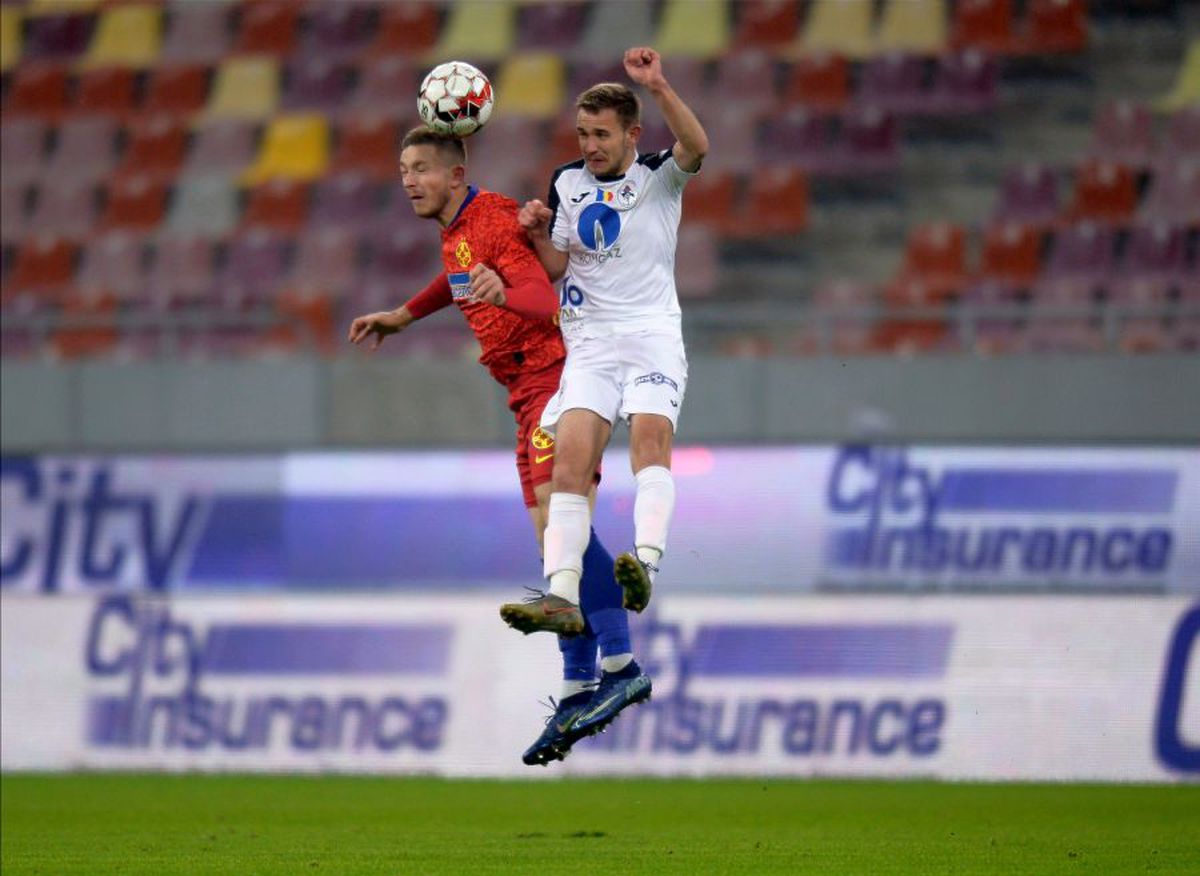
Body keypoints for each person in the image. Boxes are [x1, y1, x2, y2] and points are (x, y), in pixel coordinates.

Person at [348, 127, 644, 765]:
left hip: (557, 375)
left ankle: (619, 664)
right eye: (403, 168)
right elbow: (455, 278)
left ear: (456, 175)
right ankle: (577, 687)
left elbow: (543, 296)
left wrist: (502, 293)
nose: (408, 180)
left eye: (422, 168)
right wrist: (404, 314)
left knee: (561, 530)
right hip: (523, 388)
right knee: (551, 537)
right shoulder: (458, 233)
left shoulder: (495, 219)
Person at [502, 47, 707, 735]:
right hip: (589, 344)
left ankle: (642, 563)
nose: (587, 146)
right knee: (569, 465)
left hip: (650, 337)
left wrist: (658, 84)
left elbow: (698, 144)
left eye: (600, 135)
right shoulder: (566, 184)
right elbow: (563, 265)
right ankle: (561, 593)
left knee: (650, 446)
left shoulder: (659, 178)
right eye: (581, 135)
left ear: (631, 135)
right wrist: (536, 238)